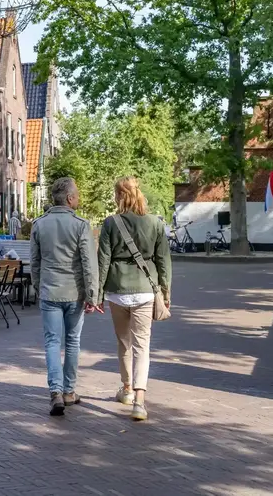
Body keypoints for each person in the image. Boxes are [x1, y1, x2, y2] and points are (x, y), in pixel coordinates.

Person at [96, 176, 171, 422]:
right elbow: (163, 262)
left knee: (123, 342)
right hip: (145, 290)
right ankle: (139, 401)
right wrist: (166, 292)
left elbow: (103, 261)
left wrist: (97, 294)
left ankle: (126, 389)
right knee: (142, 346)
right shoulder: (155, 224)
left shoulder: (110, 223)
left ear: (119, 196)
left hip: (117, 291)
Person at [30, 177, 98, 416]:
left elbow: (35, 262)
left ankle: (55, 392)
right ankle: (69, 391)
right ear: (70, 199)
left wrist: (38, 287)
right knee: (72, 341)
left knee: (51, 341)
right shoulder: (81, 225)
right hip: (75, 293)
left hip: (50, 290)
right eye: (77, 194)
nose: (78, 198)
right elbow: (89, 263)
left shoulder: (39, 224)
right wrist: (92, 294)